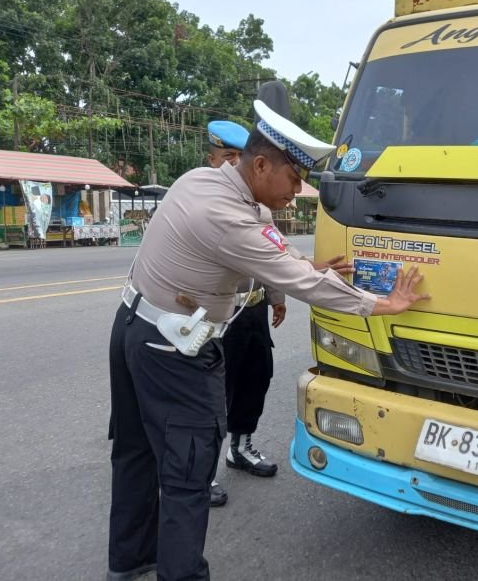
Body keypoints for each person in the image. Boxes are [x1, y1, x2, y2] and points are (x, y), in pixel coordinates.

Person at [106, 99, 429, 581]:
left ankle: (129, 561)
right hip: (172, 352)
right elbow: (303, 283)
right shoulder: (232, 219)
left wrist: (300, 268)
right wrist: (383, 304)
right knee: (188, 473)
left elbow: (250, 261)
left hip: (132, 328)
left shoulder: (199, 180)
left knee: (135, 453)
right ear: (260, 165)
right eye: (294, 179)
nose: (298, 192)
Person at [203, 119, 283, 510]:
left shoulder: (260, 205)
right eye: (227, 157)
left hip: (253, 312)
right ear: (212, 159)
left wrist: (277, 297)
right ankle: (202, 469)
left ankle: (241, 447)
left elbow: (276, 254)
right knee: (215, 391)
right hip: (221, 315)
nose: (234, 165)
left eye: (239, 158)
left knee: (256, 378)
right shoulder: (206, 201)